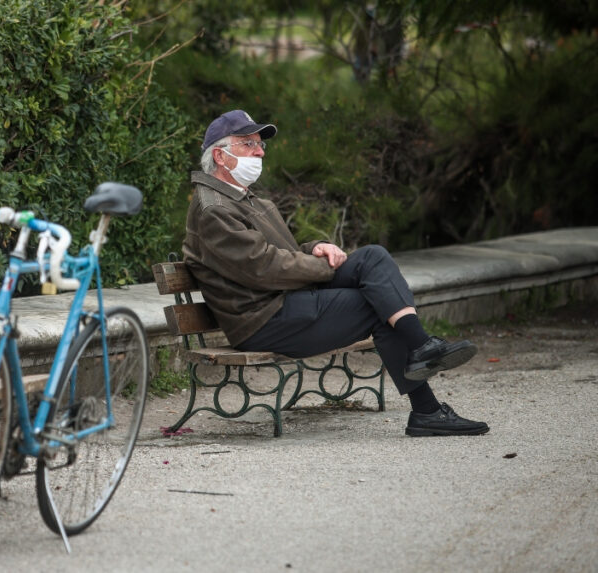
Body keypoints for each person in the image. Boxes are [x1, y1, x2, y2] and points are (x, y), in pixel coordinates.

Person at [183, 110, 489, 437]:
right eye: (249, 144)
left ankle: (423, 349)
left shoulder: (245, 199)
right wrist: (323, 269)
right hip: (263, 319)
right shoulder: (214, 209)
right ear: (220, 155)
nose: (260, 152)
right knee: (378, 306)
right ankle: (427, 406)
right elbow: (263, 268)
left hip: (283, 299)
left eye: (260, 144)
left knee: (373, 257)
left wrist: (316, 247)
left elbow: (278, 253)